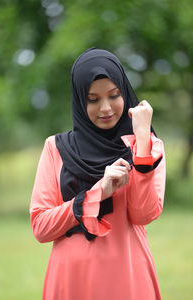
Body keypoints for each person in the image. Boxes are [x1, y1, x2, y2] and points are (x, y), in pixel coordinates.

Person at [30, 47, 166, 300]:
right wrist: (97, 193)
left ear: (124, 92)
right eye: (93, 99)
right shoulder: (56, 148)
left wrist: (143, 140)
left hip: (127, 277)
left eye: (114, 95)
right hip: (71, 282)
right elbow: (40, 227)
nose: (106, 108)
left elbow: (144, 214)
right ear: (80, 101)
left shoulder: (146, 145)